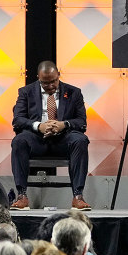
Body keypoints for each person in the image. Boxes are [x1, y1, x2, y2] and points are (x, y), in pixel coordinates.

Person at [8, 61, 91, 210]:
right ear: (38, 78)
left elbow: (81, 121)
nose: (50, 86)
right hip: (37, 140)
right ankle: (21, 196)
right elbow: (18, 119)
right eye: (45, 83)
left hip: (63, 139)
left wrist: (63, 124)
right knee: (19, 141)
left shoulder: (74, 92)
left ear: (58, 75)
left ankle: (78, 196)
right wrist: (38, 126)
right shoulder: (25, 92)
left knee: (80, 140)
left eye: (53, 81)